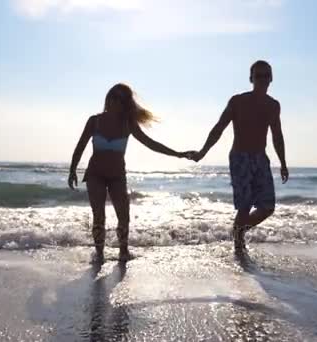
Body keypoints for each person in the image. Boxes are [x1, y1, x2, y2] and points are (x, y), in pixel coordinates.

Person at [68, 83, 191, 262]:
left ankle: (123, 252)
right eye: (111, 98)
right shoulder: (94, 121)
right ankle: (100, 255)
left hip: (118, 176)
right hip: (95, 174)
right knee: (98, 216)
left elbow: (151, 143)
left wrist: (178, 154)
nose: (112, 102)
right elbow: (80, 146)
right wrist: (72, 170)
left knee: (123, 216)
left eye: (117, 99)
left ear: (124, 103)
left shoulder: (128, 124)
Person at [190, 60, 289, 252]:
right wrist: (203, 152)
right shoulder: (238, 101)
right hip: (240, 158)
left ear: (271, 79)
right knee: (244, 207)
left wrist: (283, 163)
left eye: (266, 75)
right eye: (258, 75)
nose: (262, 79)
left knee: (268, 207)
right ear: (251, 78)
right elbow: (219, 128)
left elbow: (277, 135)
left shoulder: (273, 106)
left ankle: (238, 232)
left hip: (261, 158)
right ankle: (238, 245)